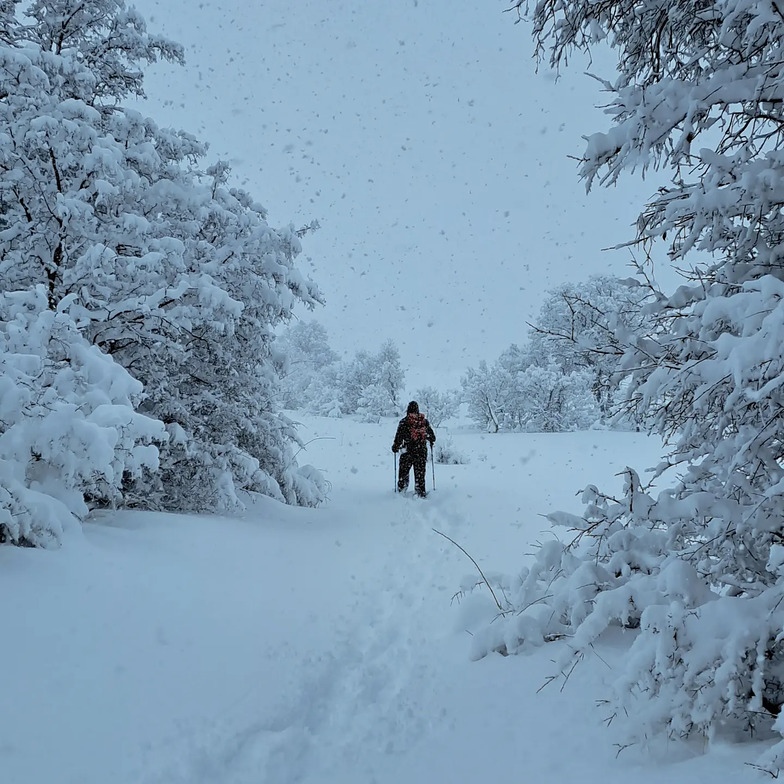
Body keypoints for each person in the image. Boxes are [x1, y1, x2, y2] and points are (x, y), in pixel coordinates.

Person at [392, 400, 436, 497]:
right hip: (421, 451)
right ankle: (420, 493)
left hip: (407, 451)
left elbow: (399, 437)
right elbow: (432, 437)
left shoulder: (404, 422)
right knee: (420, 474)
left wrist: (395, 447)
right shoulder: (424, 422)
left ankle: (401, 492)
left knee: (403, 473)